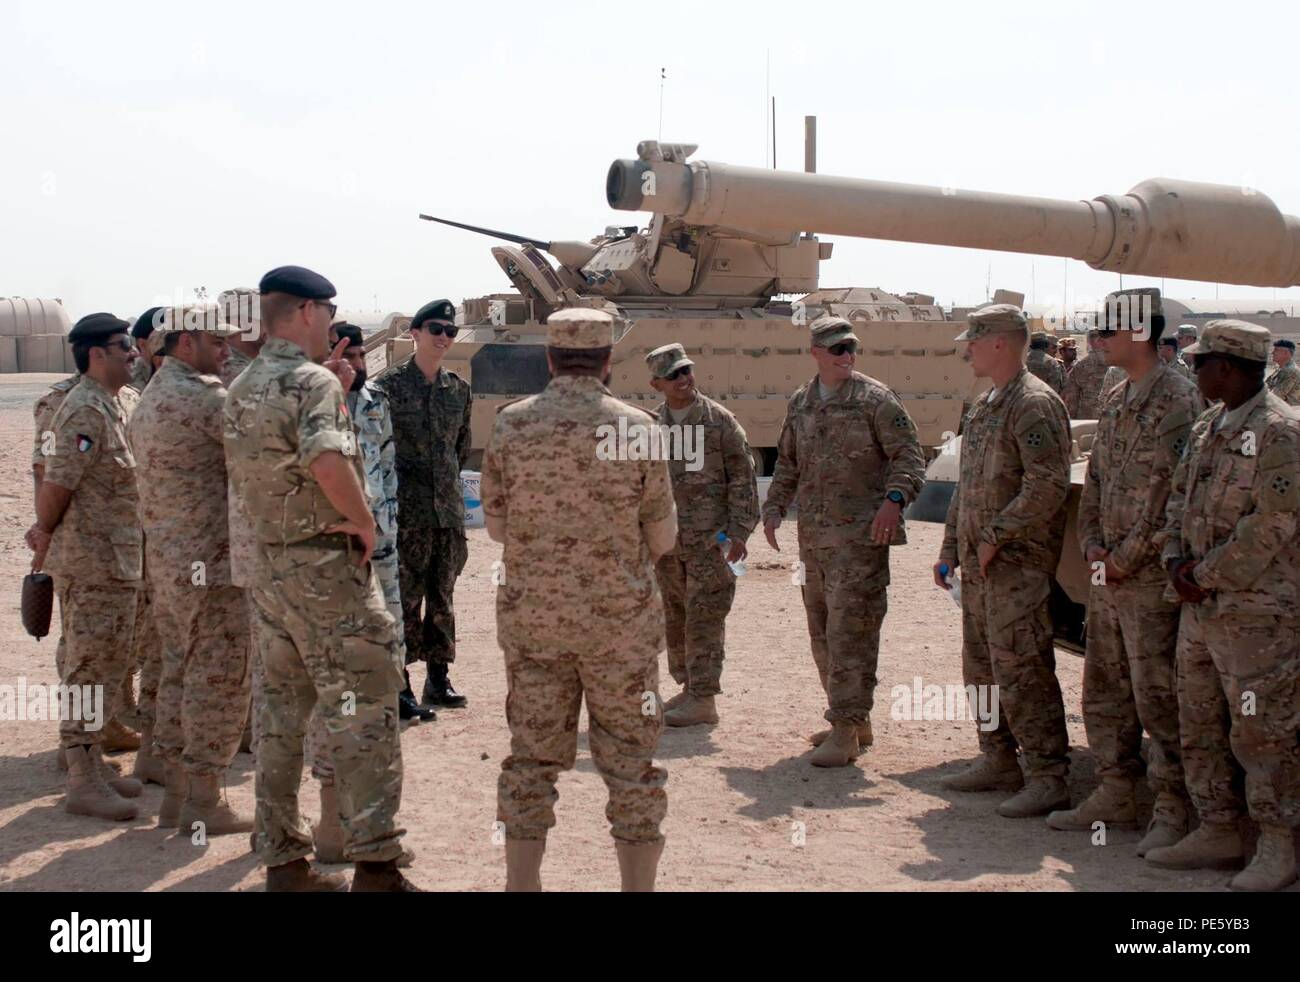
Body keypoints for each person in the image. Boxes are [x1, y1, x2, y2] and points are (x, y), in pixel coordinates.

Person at [224, 266, 413, 892]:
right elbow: (326, 459)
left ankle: (284, 862)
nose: (332, 323)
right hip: (326, 569)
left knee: (279, 719)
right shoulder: (310, 383)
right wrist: (364, 524)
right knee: (365, 711)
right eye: (328, 312)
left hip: (273, 570)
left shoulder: (244, 386)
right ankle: (377, 866)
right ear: (306, 311)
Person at [481, 307, 677, 892]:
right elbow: (663, 536)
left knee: (531, 760)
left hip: (535, 626)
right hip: (620, 629)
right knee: (632, 765)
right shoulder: (638, 428)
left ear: (549, 358)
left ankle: (523, 884)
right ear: (608, 361)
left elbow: (495, 527)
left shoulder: (512, 425)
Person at [1045, 291, 1203, 855]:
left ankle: (1172, 807)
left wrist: (1123, 558)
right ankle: (1116, 788)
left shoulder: (1181, 401)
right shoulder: (1116, 396)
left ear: (1139, 333)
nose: (1097, 340)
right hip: (1107, 573)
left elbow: (1172, 498)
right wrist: (1091, 544)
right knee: (1104, 687)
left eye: (1108, 331)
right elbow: (1098, 479)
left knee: (1159, 695)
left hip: (1148, 578)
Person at [1147, 320, 1300, 892]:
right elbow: (1180, 499)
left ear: (1229, 368)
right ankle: (1217, 827)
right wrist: (1172, 559)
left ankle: (1279, 845)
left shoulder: (1282, 432)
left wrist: (1203, 574)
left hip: (1258, 615)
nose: (1193, 369)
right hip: (1202, 607)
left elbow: (1274, 524)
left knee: (1263, 732)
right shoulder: (1212, 424)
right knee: (1199, 719)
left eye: (1201, 362)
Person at [763, 316, 926, 767]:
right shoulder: (802, 403)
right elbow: (789, 463)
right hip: (813, 543)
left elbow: (909, 456)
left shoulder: (875, 400)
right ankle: (853, 721)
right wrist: (774, 507)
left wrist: (894, 501)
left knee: (850, 633)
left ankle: (845, 727)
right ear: (815, 352)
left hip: (860, 542)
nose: (846, 356)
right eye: (836, 349)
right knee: (822, 635)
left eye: (851, 347)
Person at [934, 303, 1072, 817]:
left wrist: (996, 534)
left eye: (973, 340)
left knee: (1022, 668)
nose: (966, 349)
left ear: (1000, 343)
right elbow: (966, 485)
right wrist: (951, 547)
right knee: (981, 667)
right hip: (979, 564)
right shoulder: (986, 403)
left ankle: (1047, 773)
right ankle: (997, 758)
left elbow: (1048, 485)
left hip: (1017, 565)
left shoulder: (1034, 404)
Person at [129, 305, 252, 835]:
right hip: (213, 565)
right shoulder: (206, 400)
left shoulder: (152, 396)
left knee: (179, 671)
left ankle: (178, 798)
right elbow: (263, 452)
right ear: (184, 343)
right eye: (216, 341)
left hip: (170, 563)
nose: (226, 350)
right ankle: (205, 800)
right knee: (220, 675)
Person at [27, 313, 145, 821]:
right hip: (91, 562)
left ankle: (92, 765)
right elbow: (56, 483)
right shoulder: (82, 410)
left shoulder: (112, 404)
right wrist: (44, 531)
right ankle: (81, 777)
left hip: (115, 560)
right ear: (97, 353)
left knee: (107, 666)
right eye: (125, 347)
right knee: (88, 669)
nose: (133, 355)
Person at [644, 342, 758, 727]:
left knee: (705, 618)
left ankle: (705, 698)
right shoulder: (652, 427)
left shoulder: (719, 422)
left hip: (711, 542)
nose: (684, 379)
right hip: (669, 545)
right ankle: (689, 685)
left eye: (687, 370)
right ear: (656, 383)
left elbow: (743, 479)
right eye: (674, 374)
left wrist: (739, 531)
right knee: (674, 617)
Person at [374, 299, 472, 711]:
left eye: (450, 331)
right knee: (404, 598)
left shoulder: (458, 390)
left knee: (442, 597)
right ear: (414, 333)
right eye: (435, 329)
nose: (444, 338)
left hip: (446, 512)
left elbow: (459, 449)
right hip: (406, 513)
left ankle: (438, 679)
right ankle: (399, 685)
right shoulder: (388, 387)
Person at [1061, 330, 1109, 419]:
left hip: (1086, 418)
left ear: (1088, 342)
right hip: (1109, 417)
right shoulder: (1115, 362)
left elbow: (1072, 400)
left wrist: (1073, 420)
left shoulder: (1080, 366)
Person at [1264, 337, 1300, 405]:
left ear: (1286, 353)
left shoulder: (1291, 371)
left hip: (1290, 411)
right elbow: (1265, 386)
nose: (1273, 352)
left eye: (1276, 350)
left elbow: (1276, 396)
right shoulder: (1279, 370)